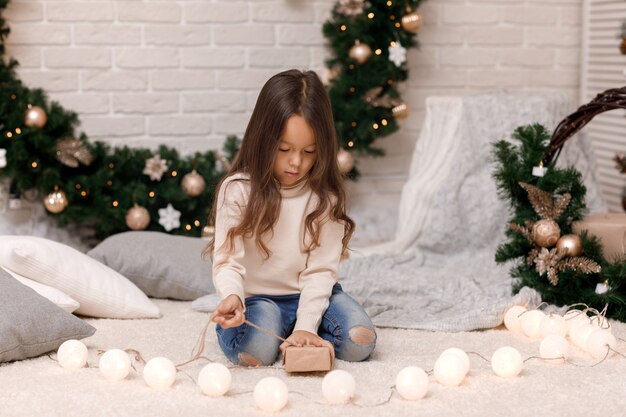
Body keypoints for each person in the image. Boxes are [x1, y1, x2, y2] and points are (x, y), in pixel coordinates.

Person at [204, 69, 376, 367]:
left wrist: (306, 325)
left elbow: (320, 272)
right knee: (254, 351)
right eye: (284, 149)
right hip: (260, 301)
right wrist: (232, 296)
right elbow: (228, 262)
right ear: (263, 139)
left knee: (360, 341)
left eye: (309, 151)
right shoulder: (237, 190)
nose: (296, 162)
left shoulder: (325, 197)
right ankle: (281, 333)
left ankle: (302, 331)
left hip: (312, 293)